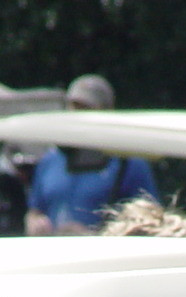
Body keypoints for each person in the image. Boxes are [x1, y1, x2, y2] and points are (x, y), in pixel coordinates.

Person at [26, 74, 158, 235]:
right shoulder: (50, 160)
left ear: (107, 112)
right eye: (73, 107)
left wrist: (91, 236)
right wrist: (35, 223)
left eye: (85, 108)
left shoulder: (129, 162)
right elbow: (34, 211)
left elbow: (149, 222)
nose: (77, 115)